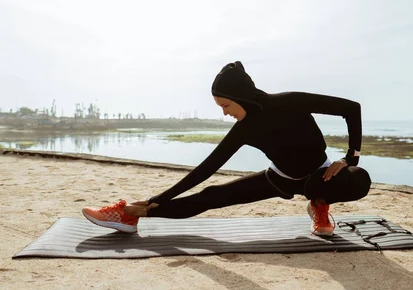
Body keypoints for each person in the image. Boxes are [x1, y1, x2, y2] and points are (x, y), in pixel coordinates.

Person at [82, 61, 371, 236]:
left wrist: (349, 157)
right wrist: (156, 198)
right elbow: (206, 169)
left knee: (359, 179)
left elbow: (351, 108)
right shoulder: (244, 129)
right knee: (210, 196)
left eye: (226, 105)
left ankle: (319, 203)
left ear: (240, 98)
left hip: (320, 176)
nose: (224, 113)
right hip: (277, 179)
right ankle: (131, 214)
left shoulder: (290, 101)